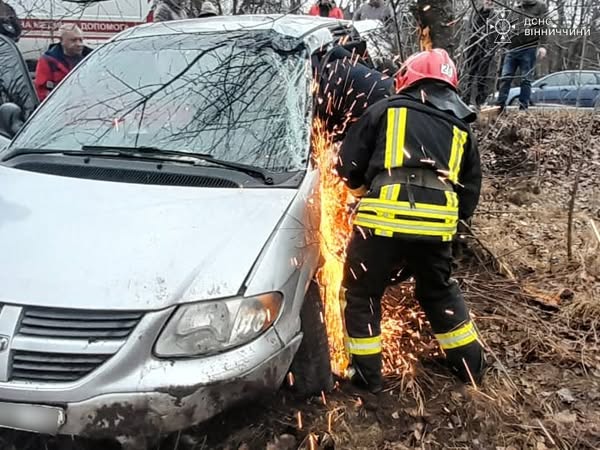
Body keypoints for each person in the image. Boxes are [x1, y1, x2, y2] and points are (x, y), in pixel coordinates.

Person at [336, 49, 485, 394]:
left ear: (406, 78)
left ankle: (366, 378)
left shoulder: (385, 110)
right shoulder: (461, 129)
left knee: (362, 293)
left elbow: (346, 165)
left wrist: (363, 192)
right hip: (437, 230)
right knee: (438, 292)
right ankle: (471, 367)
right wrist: (441, 222)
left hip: (383, 222)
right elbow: (469, 195)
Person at [495, 0, 548, 110]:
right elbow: (507, 28)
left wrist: (543, 46)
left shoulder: (540, 7)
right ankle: (500, 106)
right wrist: (502, 45)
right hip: (512, 48)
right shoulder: (516, 8)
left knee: (526, 79)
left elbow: (544, 27)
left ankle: (523, 107)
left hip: (529, 47)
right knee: (505, 76)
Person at [34, 25, 92, 101]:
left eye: (80, 40)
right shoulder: (48, 61)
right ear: (61, 40)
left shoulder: (92, 58)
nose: (79, 44)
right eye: (73, 40)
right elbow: (41, 91)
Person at [461, 0, 496, 107]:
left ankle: (479, 102)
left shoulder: (495, 16)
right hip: (472, 48)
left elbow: (497, 34)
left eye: (492, 1)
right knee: (469, 74)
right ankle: (465, 100)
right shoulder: (475, 13)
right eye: (487, 0)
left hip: (486, 50)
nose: (489, 2)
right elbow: (468, 29)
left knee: (483, 76)